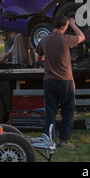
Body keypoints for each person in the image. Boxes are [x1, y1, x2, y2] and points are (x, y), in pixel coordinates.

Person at [36, 16, 85, 149]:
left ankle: (50, 140)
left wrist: (48, 64)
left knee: (50, 111)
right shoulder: (66, 39)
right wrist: (74, 25)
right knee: (68, 111)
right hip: (65, 81)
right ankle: (64, 141)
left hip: (50, 80)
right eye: (67, 25)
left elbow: (38, 58)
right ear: (64, 27)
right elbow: (82, 37)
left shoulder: (44, 40)